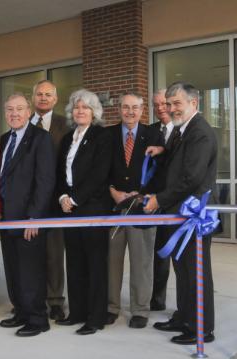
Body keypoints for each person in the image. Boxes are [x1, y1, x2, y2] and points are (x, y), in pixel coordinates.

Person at [145, 82, 217, 345]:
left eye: (177, 103)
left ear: (193, 104)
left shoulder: (200, 133)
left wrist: (158, 200)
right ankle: (184, 316)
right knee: (183, 271)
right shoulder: (181, 131)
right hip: (178, 215)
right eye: (169, 103)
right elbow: (178, 164)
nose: (171, 108)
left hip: (192, 217)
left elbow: (191, 177)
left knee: (196, 272)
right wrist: (162, 152)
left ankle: (201, 329)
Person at [0, 93, 55, 337]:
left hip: (28, 218)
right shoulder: (3, 139)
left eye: (19, 109)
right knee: (13, 268)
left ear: (29, 111)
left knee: (31, 271)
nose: (14, 113)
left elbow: (45, 181)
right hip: (6, 217)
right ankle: (20, 310)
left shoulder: (40, 138)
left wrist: (35, 217)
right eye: (10, 109)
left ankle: (37, 318)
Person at [55, 89, 112, 335]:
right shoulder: (68, 138)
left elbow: (100, 174)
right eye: (77, 107)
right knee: (75, 262)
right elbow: (60, 173)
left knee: (95, 265)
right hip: (70, 210)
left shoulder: (102, 136)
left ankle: (95, 318)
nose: (80, 111)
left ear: (94, 112)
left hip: (93, 208)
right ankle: (76, 312)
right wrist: (63, 197)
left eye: (85, 108)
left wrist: (75, 198)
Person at [106, 93, 164, 329]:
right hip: (113, 207)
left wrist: (145, 195)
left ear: (142, 111)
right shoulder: (107, 135)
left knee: (142, 261)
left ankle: (140, 309)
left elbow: (161, 170)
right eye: (126, 107)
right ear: (119, 109)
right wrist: (112, 191)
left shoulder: (153, 135)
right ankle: (111, 307)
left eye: (135, 108)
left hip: (143, 208)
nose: (130, 112)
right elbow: (100, 168)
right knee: (112, 260)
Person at [30, 80, 69, 320]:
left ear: (55, 99)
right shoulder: (23, 122)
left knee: (54, 254)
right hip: (28, 201)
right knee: (31, 253)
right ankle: (32, 298)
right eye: (40, 94)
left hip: (55, 201)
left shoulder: (66, 125)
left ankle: (55, 300)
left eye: (48, 95)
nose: (43, 98)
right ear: (33, 97)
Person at [149, 89, 174, 311]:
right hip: (155, 202)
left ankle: (189, 306)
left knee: (182, 255)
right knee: (159, 254)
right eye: (155, 105)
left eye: (164, 103)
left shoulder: (184, 130)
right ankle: (157, 300)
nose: (160, 108)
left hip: (179, 203)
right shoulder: (150, 131)